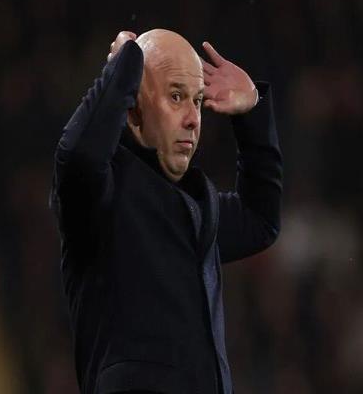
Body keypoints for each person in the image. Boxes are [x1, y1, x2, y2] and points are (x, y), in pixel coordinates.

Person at [50, 29, 283, 394]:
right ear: (133, 108)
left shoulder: (197, 205)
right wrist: (123, 68)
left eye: (198, 100)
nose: (193, 119)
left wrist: (251, 109)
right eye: (176, 97)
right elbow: (79, 156)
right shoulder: (101, 194)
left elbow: (260, 220)